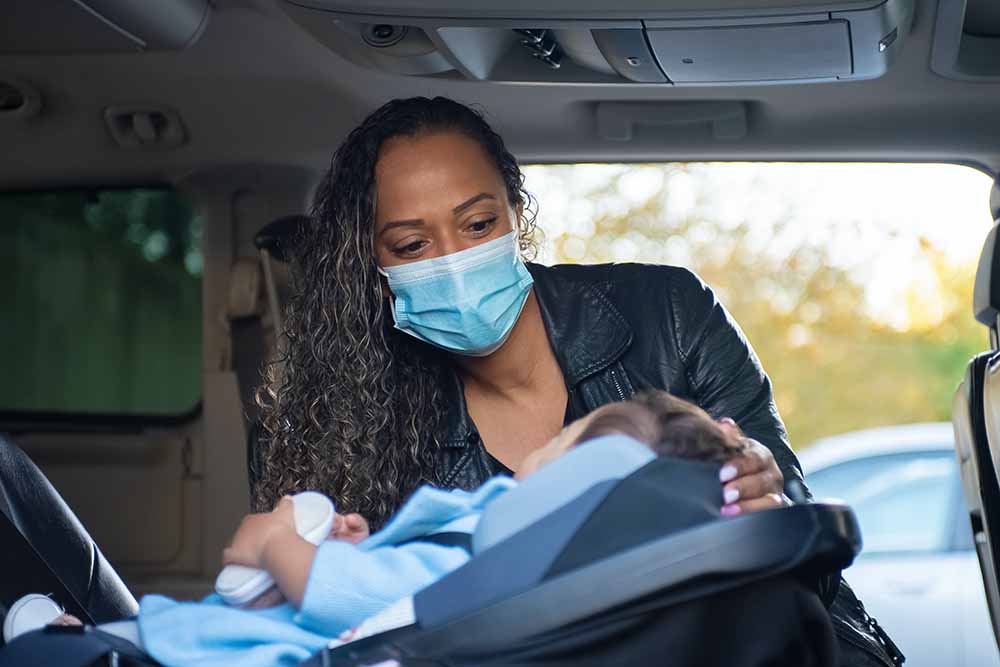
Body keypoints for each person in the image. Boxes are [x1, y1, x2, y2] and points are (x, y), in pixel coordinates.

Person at [249, 96, 901, 666]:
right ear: (371, 263)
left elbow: (806, 562)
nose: (453, 261)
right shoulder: (363, 424)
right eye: (412, 245)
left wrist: (771, 508)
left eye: (477, 224)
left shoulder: (671, 313)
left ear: (516, 212)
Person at [2, 392, 759, 667]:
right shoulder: (502, 553)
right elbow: (379, 581)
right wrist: (360, 543)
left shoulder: (496, 575)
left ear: (571, 492)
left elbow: (345, 597)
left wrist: (278, 544)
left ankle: (66, 639)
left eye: (567, 442)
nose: (547, 443)